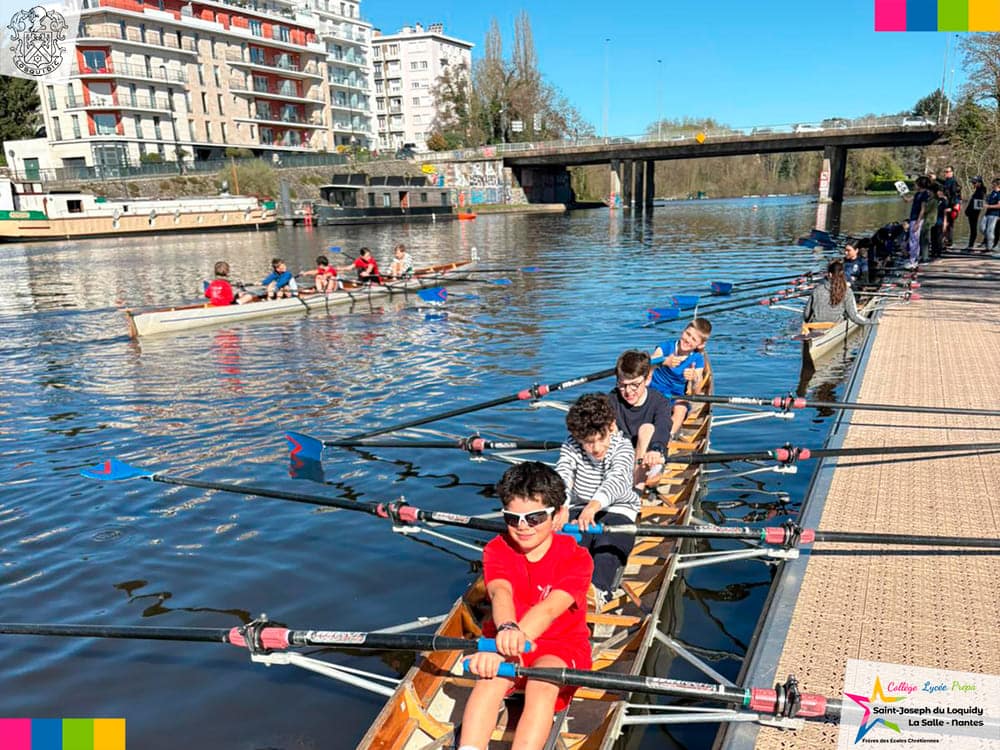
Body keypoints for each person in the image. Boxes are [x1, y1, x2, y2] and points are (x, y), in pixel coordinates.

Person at [459, 462, 593, 750]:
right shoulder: (497, 548)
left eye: (534, 518)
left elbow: (549, 609)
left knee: (541, 684)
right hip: (505, 640)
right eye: (512, 518)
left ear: (558, 515)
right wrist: (503, 637)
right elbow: (500, 592)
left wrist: (510, 639)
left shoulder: (577, 558)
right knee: (488, 681)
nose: (522, 527)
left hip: (561, 646)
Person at [555, 393, 640, 610]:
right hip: (580, 506)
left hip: (619, 507)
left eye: (600, 439)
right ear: (577, 436)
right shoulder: (571, 445)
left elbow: (617, 480)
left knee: (608, 545)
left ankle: (599, 590)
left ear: (611, 427)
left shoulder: (623, 447)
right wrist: (562, 505)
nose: (596, 448)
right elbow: (563, 474)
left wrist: (594, 506)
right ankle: (557, 590)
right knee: (569, 545)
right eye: (588, 443)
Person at [607, 350, 672, 488]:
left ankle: (637, 486)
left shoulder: (660, 402)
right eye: (622, 385)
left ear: (648, 378)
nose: (628, 391)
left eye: (634, 385)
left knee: (646, 429)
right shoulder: (612, 399)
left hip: (650, 458)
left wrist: (656, 448)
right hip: (620, 458)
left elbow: (663, 426)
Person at [649, 318, 712, 441]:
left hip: (674, 396)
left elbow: (696, 391)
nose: (688, 340)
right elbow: (647, 363)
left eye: (694, 339)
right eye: (687, 334)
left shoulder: (697, 359)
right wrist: (663, 361)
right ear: (683, 331)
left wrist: (694, 378)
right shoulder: (666, 347)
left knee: (681, 408)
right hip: (653, 389)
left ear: (700, 345)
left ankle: (666, 437)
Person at [802, 260, 874, 329]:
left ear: (830, 274)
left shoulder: (817, 289)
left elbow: (806, 315)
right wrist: (872, 321)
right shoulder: (847, 291)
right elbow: (854, 316)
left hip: (814, 327)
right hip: (834, 327)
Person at [904, 176, 932, 269]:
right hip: (913, 218)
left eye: (916, 184)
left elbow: (923, 210)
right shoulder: (917, 194)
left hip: (917, 219)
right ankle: (914, 259)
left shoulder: (925, 194)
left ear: (920, 184)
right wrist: (902, 194)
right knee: (913, 239)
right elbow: (907, 200)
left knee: (914, 240)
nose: (914, 185)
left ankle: (913, 261)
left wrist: (917, 222)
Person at [940, 166, 961, 248]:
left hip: (952, 206)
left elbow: (955, 194)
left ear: (952, 172)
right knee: (946, 223)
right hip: (946, 205)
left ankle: (949, 242)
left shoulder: (953, 182)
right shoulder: (947, 181)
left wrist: (954, 206)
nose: (946, 173)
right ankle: (945, 240)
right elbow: (943, 184)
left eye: (947, 171)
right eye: (945, 171)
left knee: (949, 224)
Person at [965, 176, 986, 250]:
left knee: (973, 229)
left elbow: (979, 205)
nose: (973, 184)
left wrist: (971, 211)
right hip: (971, 212)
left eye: (974, 182)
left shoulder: (981, 191)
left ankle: (971, 245)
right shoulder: (978, 190)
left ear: (979, 183)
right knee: (972, 229)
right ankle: (970, 245)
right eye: (972, 182)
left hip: (974, 213)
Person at [982, 178, 1000, 251]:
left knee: (990, 230)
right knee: (982, 228)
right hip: (987, 214)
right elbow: (988, 201)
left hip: (995, 215)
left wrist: (988, 206)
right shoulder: (993, 192)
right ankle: (990, 242)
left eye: (994, 184)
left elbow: (999, 205)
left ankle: (989, 247)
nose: (992, 185)